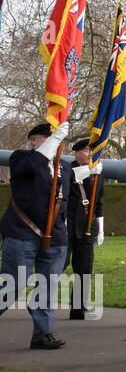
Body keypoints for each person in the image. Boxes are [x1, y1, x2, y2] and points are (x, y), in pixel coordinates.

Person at [0, 121, 74, 348]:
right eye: (48, 138)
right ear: (34, 140)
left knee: (48, 286)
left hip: (55, 235)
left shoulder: (65, 167)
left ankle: (42, 333)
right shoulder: (20, 158)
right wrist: (53, 142)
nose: (55, 143)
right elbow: (32, 166)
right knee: (13, 284)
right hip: (23, 231)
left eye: (58, 139)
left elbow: (65, 200)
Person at [65, 137, 105, 321]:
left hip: (87, 227)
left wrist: (101, 229)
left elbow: (98, 205)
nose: (90, 154)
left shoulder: (97, 174)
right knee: (60, 265)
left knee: (84, 268)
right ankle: (42, 301)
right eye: (87, 150)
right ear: (77, 152)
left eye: (93, 151)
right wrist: (88, 170)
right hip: (67, 226)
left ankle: (78, 308)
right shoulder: (67, 168)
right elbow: (70, 178)